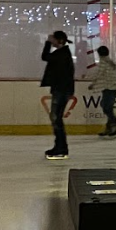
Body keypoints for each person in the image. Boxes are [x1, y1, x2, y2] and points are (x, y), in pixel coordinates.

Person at [41, 30, 75, 159]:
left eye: (53, 39)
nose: (52, 41)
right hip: (61, 89)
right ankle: (59, 146)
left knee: (56, 118)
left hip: (61, 90)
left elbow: (45, 57)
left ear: (59, 40)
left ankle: (61, 147)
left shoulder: (62, 54)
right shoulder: (63, 53)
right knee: (56, 118)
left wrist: (47, 43)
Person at [93, 44, 116, 137]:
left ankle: (115, 124)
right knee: (107, 107)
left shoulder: (103, 62)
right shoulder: (110, 61)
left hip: (109, 88)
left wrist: (93, 84)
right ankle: (109, 127)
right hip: (112, 87)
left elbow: (98, 74)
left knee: (106, 108)